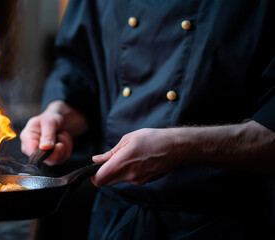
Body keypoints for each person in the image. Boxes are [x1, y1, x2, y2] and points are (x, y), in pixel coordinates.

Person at [20, 0, 275, 239]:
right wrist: (58, 113)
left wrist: (177, 147)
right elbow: (80, 66)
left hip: (222, 222)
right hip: (114, 217)